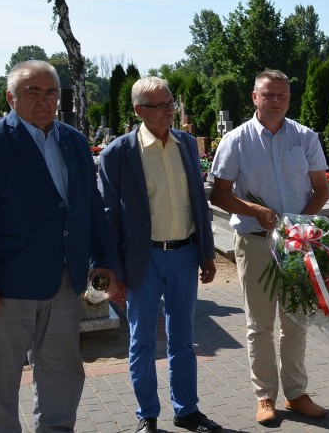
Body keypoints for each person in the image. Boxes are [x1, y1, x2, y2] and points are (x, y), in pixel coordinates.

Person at [0, 60, 116, 431]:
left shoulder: (73, 141)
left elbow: (89, 206)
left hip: (64, 282)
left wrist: (102, 259)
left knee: (62, 373)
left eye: (51, 91)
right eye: (33, 91)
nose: (44, 100)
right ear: (11, 98)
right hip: (7, 286)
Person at [97, 77, 220, 433]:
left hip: (184, 254)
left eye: (171, 104)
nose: (171, 111)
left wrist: (207, 253)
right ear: (139, 111)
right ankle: (147, 415)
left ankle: (186, 410)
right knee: (142, 341)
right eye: (162, 105)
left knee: (183, 339)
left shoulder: (184, 144)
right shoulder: (118, 153)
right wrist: (113, 273)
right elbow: (108, 217)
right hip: (142, 260)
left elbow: (199, 202)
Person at [210, 69, 329, 426]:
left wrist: (299, 226)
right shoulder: (236, 140)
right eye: (268, 94)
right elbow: (219, 193)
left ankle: (296, 393)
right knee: (259, 324)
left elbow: (322, 189)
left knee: (296, 321)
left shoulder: (305, 137)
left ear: (289, 99)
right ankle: (265, 395)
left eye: (282, 95)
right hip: (255, 242)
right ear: (254, 97)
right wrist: (253, 210)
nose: (276, 100)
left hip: (296, 244)